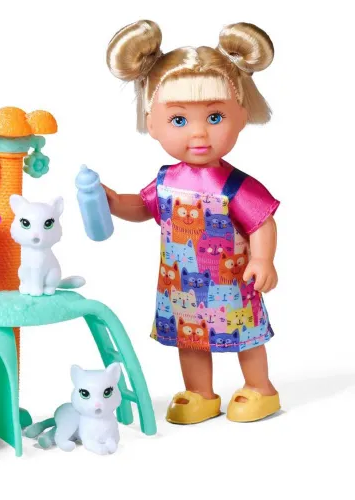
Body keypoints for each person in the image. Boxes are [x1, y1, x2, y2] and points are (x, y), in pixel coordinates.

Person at [104, 20, 280, 423]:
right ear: (152, 122)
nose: (199, 134)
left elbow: (261, 221)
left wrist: (263, 259)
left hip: (233, 281)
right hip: (181, 284)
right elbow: (144, 207)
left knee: (245, 334)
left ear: (242, 116)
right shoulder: (166, 180)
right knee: (191, 339)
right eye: (179, 120)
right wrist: (114, 203)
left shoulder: (235, 184)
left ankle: (260, 387)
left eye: (215, 117)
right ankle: (201, 392)